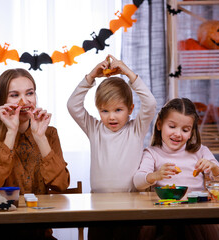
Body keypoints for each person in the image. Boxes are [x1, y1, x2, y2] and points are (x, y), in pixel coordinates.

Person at [0, 68, 70, 240]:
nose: (24, 101)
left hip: (37, 231)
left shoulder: (50, 133)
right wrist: (11, 131)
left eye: (29, 93)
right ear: (1, 100)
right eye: (14, 95)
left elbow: (61, 185)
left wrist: (40, 137)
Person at [67, 55, 157, 239]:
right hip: (99, 206)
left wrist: (128, 73)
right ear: (98, 109)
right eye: (104, 111)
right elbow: (72, 105)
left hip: (131, 205)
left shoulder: (136, 129)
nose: (111, 117)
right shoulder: (95, 129)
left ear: (130, 109)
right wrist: (91, 76)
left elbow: (150, 103)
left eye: (118, 110)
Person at [134, 97, 219, 240]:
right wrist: (155, 175)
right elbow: (138, 182)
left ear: (191, 132)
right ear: (159, 124)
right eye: (172, 127)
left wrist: (214, 168)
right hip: (164, 217)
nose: (178, 134)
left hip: (196, 216)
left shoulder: (200, 151)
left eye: (185, 129)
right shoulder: (152, 153)